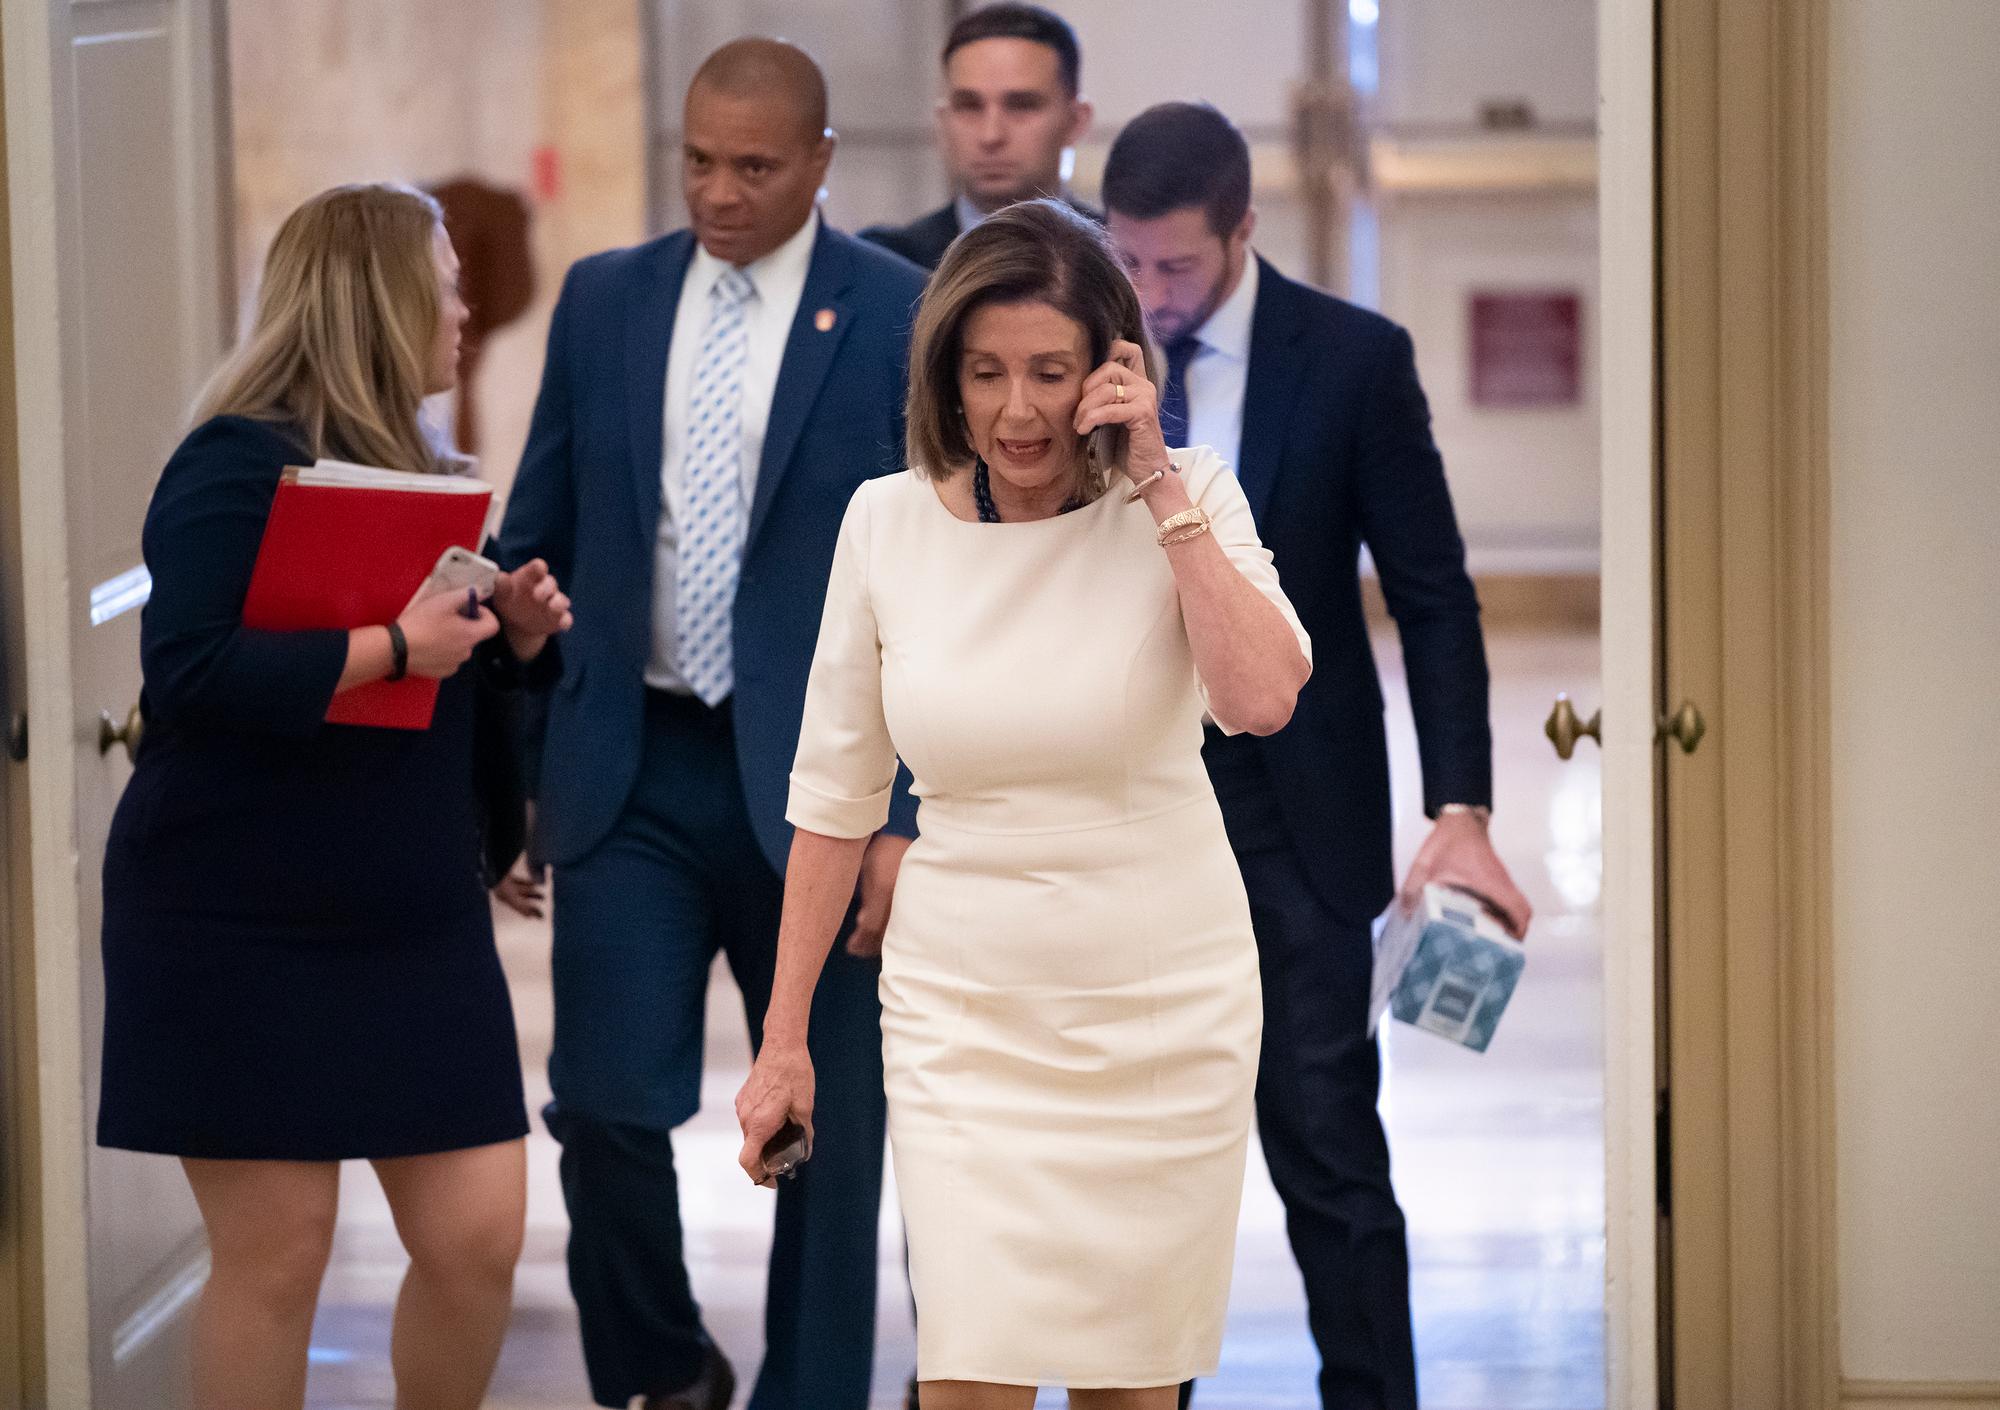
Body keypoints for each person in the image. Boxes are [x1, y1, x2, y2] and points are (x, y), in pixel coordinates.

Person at [734, 198, 1313, 1410]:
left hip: (1160, 1007)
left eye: (1049, 373)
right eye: (984, 372)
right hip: (964, 1017)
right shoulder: (883, 525)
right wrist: (783, 1039)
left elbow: (1259, 698)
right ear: (943, 376)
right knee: (966, 1376)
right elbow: (833, 797)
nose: (1012, 410)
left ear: (1112, 367)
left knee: (1124, 1389)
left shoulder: (1186, 495)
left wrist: (1155, 483)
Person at [495, 37, 925, 1410]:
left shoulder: (899, 310)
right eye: (698, 160)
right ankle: (665, 1368)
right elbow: (541, 528)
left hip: (829, 789)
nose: (719, 192)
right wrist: (511, 773)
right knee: (607, 1103)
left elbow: (939, 586)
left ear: (818, 165)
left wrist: (902, 814)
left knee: (827, 1135)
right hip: (635, 765)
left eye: (753, 166)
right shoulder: (605, 300)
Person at [95, 182, 572, 1410]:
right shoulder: (234, 458)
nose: (465, 311)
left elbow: (446, 700)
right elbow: (188, 668)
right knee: (280, 1250)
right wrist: (395, 644)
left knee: (476, 1241)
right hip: (233, 914)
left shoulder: (428, 472)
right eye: (447, 284)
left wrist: (508, 642)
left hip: (406, 916)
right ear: (380, 296)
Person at [1102, 104, 1535, 1410]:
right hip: (1125, 807)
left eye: (1175, 266)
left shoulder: (1350, 359)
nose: (1151, 295)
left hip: (1297, 812)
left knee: (1327, 1142)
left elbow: (1434, 593)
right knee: (1132, 1162)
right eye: (1129, 261)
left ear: (1243, 230)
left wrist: (1459, 803)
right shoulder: (1075, 350)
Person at [859, 2, 1096, 270]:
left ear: (1077, 120)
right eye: (969, 106)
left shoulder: (1128, 259)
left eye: (1021, 105)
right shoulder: (885, 265)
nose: (990, 135)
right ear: (943, 121)